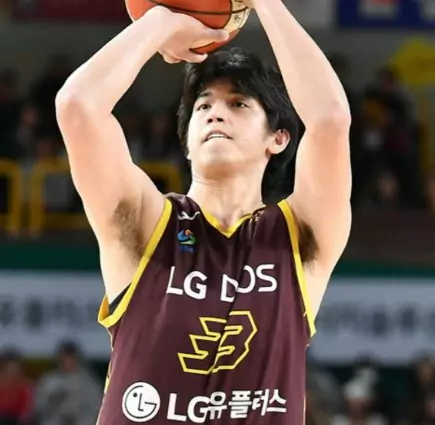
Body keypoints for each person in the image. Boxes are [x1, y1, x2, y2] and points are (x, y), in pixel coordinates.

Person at [56, 0, 351, 423]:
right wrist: (160, 21)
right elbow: (77, 107)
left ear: (279, 139)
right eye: (203, 106)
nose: (216, 113)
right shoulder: (148, 223)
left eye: (239, 104)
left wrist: (266, 2)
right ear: (187, 141)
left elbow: (331, 120)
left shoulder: (299, 235)